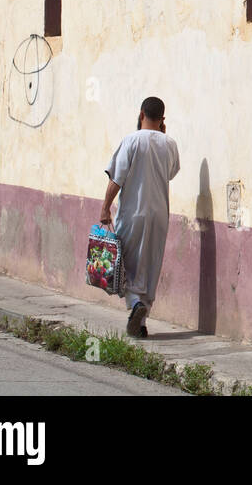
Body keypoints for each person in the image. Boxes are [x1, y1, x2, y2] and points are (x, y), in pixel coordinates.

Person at [99, 96, 180, 338]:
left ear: (141, 113)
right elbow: (172, 172)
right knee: (151, 265)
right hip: (159, 215)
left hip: (133, 213)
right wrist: (162, 136)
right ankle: (142, 323)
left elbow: (117, 178)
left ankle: (135, 304)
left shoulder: (131, 140)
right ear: (162, 119)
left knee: (125, 266)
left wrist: (105, 207)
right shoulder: (170, 144)